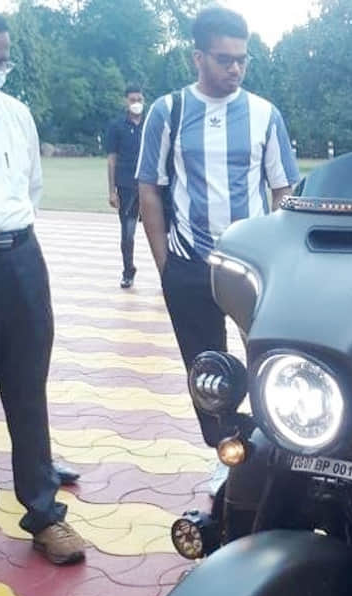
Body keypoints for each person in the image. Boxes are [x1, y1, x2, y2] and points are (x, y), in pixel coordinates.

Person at [136, 6, 300, 497]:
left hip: (251, 268)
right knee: (206, 369)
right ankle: (227, 451)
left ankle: (275, 449)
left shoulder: (265, 114)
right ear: (198, 58)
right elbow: (149, 188)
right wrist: (165, 264)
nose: (235, 68)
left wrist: (278, 256)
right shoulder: (168, 111)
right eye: (225, 59)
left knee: (269, 359)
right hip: (189, 265)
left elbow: (283, 190)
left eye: (242, 59)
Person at [0, 8, 89, 564]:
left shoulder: (17, 115)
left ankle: (44, 514)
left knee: (27, 388)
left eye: (0, 60)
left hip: (21, 259)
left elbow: (32, 188)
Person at [105, 83, 145, 288]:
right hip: (127, 187)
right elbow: (112, 159)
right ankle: (128, 271)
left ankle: (166, 273)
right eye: (132, 100)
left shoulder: (151, 123)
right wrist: (112, 191)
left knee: (162, 232)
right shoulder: (116, 126)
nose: (136, 103)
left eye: (139, 99)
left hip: (150, 187)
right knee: (128, 234)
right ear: (125, 102)